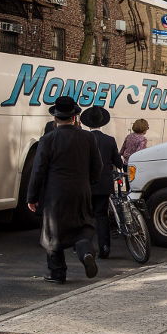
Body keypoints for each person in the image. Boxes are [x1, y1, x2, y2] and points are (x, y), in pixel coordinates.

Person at [27, 96, 103, 284]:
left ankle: (57, 273)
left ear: (55, 118)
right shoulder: (88, 137)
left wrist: (32, 196)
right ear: (75, 116)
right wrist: (90, 181)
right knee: (83, 225)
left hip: (56, 193)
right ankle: (85, 251)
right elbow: (98, 166)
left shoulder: (48, 139)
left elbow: (38, 171)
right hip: (81, 190)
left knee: (53, 233)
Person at [80, 105, 123, 259]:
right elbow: (118, 162)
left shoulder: (83, 138)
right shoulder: (109, 140)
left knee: (85, 216)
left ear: (87, 123)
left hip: (85, 184)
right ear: (102, 122)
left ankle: (85, 249)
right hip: (104, 184)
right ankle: (104, 247)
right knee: (101, 216)